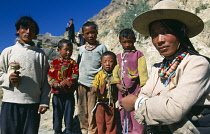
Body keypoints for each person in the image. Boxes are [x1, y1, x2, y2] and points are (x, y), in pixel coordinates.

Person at [120, 0, 210, 133]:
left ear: (181, 31)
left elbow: (175, 110)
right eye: (154, 34)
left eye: (166, 31)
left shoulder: (197, 64)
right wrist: (159, 103)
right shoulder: (158, 68)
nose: (159, 40)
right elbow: (145, 93)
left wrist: (137, 103)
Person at [0, 16, 51, 134]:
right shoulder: (8, 51)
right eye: (24, 28)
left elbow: (45, 80)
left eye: (32, 29)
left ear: (35, 33)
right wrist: (8, 78)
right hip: (11, 102)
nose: (28, 31)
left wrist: (44, 101)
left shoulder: (40, 54)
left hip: (32, 104)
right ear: (18, 30)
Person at [112, 28, 148, 134]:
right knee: (124, 113)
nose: (127, 44)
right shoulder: (118, 56)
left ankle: (138, 132)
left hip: (135, 90)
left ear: (134, 40)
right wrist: (117, 84)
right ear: (120, 41)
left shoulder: (138, 54)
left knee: (136, 111)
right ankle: (127, 131)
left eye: (130, 42)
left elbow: (143, 71)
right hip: (122, 92)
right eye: (124, 42)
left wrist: (143, 86)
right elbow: (115, 72)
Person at [77, 21, 108, 134]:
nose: (91, 35)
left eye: (93, 32)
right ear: (83, 35)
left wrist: (102, 82)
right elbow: (78, 64)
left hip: (94, 84)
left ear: (97, 32)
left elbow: (106, 65)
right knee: (82, 108)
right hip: (81, 83)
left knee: (92, 109)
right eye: (87, 33)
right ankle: (83, 129)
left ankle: (92, 130)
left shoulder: (101, 48)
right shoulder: (81, 49)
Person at [48, 39, 79, 134]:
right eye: (65, 49)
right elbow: (50, 75)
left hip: (68, 95)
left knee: (69, 115)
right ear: (58, 50)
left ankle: (68, 130)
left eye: (70, 50)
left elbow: (75, 75)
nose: (68, 52)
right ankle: (57, 131)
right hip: (57, 95)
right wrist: (55, 83)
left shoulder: (73, 63)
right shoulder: (54, 62)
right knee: (57, 115)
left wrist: (66, 81)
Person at [91, 51, 118, 134]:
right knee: (100, 123)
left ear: (115, 62)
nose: (107, 64)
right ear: (101, 63)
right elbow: (95, 84)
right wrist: (94, 88)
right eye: (105, 62)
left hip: (111, 103)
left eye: (110, 61)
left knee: (111, 123)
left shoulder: (116, 75)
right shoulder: (99, 75)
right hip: (100, 103)